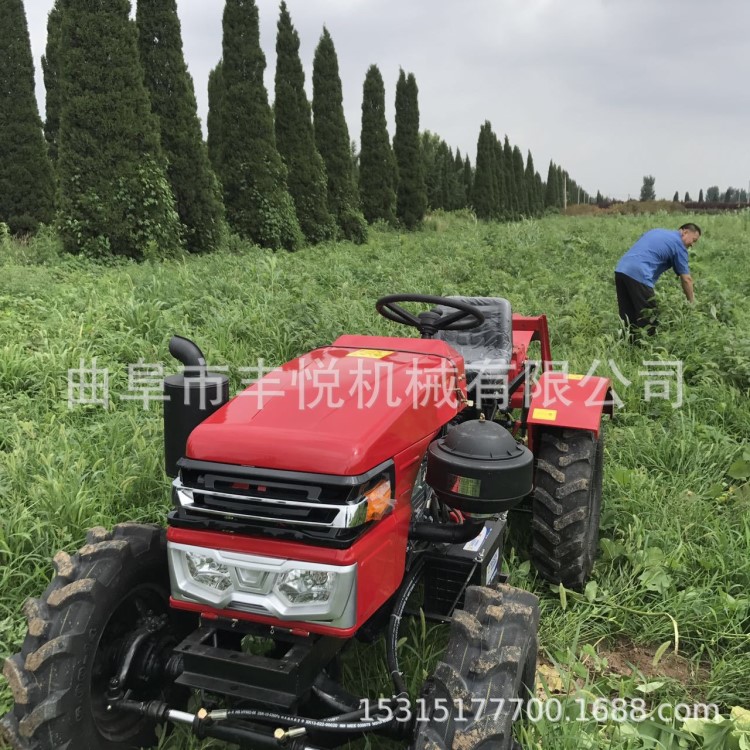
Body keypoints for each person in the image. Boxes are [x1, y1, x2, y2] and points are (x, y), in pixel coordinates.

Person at [615, 223, 701, 338]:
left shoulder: (657, 231)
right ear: (684, 232)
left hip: (621, 269)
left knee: (628, 314)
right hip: (639, 273)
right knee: (650, 317)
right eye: (693, 240)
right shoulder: (679, 245)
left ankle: (626, 346)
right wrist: (692, 302)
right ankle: (644, 350)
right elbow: (686, 279)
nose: (692, 245)